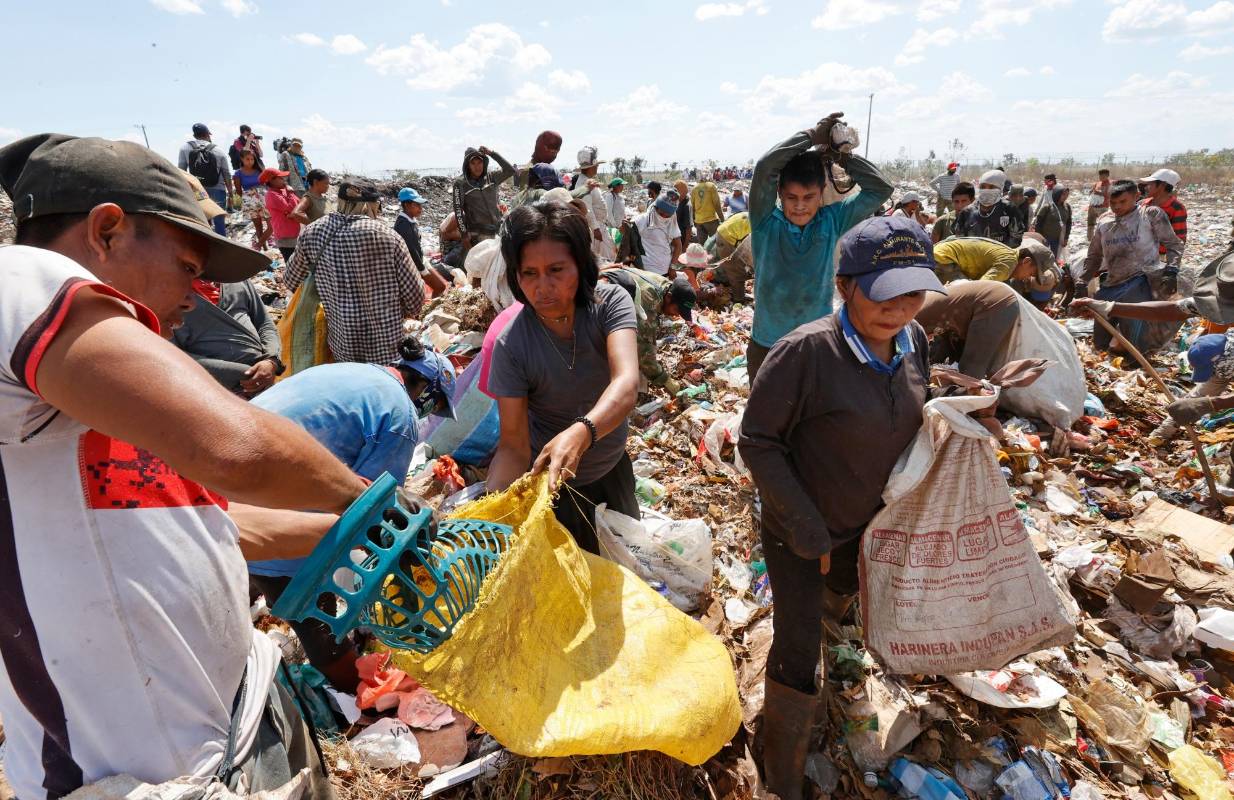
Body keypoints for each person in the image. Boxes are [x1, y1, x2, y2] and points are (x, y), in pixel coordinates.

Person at [0, 132, 371, 800]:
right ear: (106, 231)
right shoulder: (19, 280)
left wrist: (367, 538)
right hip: (142, 777)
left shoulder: (92, 404)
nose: (199, 297)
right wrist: (372, 502)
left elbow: (211, 527)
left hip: (240, 718)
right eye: (186, 266)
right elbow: (236, 449)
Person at [739, 216, 945, 800]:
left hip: (869, 521)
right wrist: (806, 528)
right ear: (845, 286)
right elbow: (757, 441)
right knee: (798, 644)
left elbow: (913, 411)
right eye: (884, 293)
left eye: (913, 293)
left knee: (842, 607)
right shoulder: (806, 353)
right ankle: (780, 764)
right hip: (799, 528)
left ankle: (832, 627)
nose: (900, 308)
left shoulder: (914, 343)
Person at [248, 339, 456, 689]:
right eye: (433, 404)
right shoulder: (400, 415)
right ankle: (359, 697)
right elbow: (375, 509)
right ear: (424, 390)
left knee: (250, 573)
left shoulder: (355, 372)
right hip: (271, 506)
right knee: (317, 615)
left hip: (232, 486)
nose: (428, 412)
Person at [485, 201, 640, 554]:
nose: (543, 287)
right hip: (556, 486)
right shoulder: (512, 345)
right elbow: (513, 446)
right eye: (529, 274)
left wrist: (582, 432)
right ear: (515, 276)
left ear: (580, 265)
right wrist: (493, 509)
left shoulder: (609, 304)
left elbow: (626, 384)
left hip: (611, 468)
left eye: (556, 270)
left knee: (626, 569)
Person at [747, 112, 893, 380]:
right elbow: (765, 166)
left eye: (809, 197)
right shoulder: (765, 221)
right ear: (779, 193)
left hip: (816, 341)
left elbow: (880, 189)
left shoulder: (832, 220)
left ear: (822, 190)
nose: (800, 206)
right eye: (791, 197)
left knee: (812, 416)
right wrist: (811, 136)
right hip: (767, 343)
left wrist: (840, 156)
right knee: (765, 417)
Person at [1072, 241, 1234, 444]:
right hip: (1226, 359)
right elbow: (1172, 310)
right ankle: (1162, 433)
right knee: (1202, 392)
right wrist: (1109, 307)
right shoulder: (1222, 307)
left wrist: (1213, 405)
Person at [285, 179, 427, 366]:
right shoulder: (388, 236)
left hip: (343, 346)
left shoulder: (312, 232)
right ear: (369, 205)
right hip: (387, 348)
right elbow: (415, 297)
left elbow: (291, 280)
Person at [1078, 179, 1183, 354]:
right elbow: (1094, 256)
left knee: (1133, 336)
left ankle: (1136, 363)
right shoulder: (1105, 222)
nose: (1117, 207)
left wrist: (1172, 270)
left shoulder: (1150, 215)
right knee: (1100, 341)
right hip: (1111, 282)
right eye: (1113, 203)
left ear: (1136, 196)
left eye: (1122, 202)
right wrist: (1082, 281)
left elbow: (1174, 244)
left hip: (1140, 280)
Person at [173, 276, 284, 396]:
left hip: (263, 383)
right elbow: (172, 354)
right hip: (213, 392)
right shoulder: (170, 293)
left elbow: (264, 323)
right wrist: (244, 373)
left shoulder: (238, 279)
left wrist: (271, 361)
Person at [599, 265, 696, 394]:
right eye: (677, 310)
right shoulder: (650, 301)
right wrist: (665, 380)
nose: (676, 315)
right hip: (598, 296)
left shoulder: (665, 285)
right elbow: (644, 352)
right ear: (669, 297)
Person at [916, 280, 1026, 379]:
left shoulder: (910, 317)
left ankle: (973, 398)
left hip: (993, 304)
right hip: (993, 297)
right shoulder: (919, 304)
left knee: (971, 369)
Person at [453, 145, 516, 253]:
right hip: (479, 234)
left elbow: (510, 170)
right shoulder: (461, 184)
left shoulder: (492, 177)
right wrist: (464, 235)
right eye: (473, 163)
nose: (477, 167)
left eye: (479, 162)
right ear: (467, 165)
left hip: (498, 230)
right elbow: (458, 210)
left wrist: (492, 153)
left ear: (484, 162)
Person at [177, 122, 233, 236]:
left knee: (203, 221)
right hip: (218, 189)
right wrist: (231, 193)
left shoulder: (184, 148)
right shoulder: (219, 150)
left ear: (194, 135)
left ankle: (205, 247)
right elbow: (226, 174)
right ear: (208, 135)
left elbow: (182, 172)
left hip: (197, 190)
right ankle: (222, 247)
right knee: (219, 221)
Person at [394, 187, 450, 295]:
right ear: (406, 205)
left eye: (420, 205)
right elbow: (411, 250)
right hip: (411, 265)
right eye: (416, 205)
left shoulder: (410, 220)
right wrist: (422, 269)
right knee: (440, 287)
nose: (420, 208)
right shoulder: (404, 225)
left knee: (442, 285)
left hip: (420, 260)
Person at [932, 236, 1053, 284]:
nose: (1027, 277)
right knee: (962, 291)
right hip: (945, 260)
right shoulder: (1008, 264)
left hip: (942, 255)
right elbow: (981, 288)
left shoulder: (1009, 255)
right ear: (1026, 261)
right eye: (1031, 273)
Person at [953, 169, 1024, 246]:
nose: (986, 190)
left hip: (1001, 255)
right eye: (983, 186)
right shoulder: (967, 212)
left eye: (991, 187)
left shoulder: (1010, 210)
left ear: (1000, 188)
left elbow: (1016, 238)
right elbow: (960, 239)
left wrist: (996, 251)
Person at [571, 146, 617, 262]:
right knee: (604, 259)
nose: (597, 167)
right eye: (596, 165)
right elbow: (587, 209)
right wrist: (596, 230)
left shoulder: (587, 181)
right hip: (595, 229)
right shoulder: (583, 184)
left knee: (606, 257)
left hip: (599, 226)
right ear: (591, 167)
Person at [634, 190, 683, 276]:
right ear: (656, 207)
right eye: (661, 213)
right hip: (646, 270)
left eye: (667, 215)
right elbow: (630, 240)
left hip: (665, 270)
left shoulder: (671, 221)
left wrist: (672, 267)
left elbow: (678, 245)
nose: (664, 217)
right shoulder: (642, 220)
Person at [263, 167, 306, 263]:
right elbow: (293, 209)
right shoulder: (271, 195)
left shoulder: (283, 191)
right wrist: (290, 194)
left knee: (299, 264)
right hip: (286, 237)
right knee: (292, 265)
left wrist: (290, 194)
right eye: (280, 178)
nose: (284, 180)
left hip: (294, 233)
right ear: (271, 181)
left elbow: (299, 204)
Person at [1139, 168, 1188, 251]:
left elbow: (1180, 239)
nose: (1146, 187)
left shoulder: (1176, 208)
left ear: (1162, 185)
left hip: (1161, 257)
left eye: (1150, 184)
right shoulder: (1144, 203)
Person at [513, 130, 563, 207]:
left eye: (557, 152)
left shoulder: (546, 169)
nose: (555, 156)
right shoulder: (531, 170)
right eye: (553, 152)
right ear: (543, 148)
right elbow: (525, 202)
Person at [233, 149, 270, 250]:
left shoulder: (259, 170)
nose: (250, 161)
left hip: (263, 199)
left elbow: (267, 184)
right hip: (249, 201)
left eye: (252, 159)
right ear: (242, 159)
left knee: (271, 225)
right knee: (258, 227)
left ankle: (259, 245)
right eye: (247, 159)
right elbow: (238, 190)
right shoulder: (238, 173)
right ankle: (264, 248)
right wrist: (248, 198)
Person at [1032, 185, 1072, 258]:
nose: (1065, 197)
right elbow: (1038, 224)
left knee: (1055, 258)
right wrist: (1039, 238)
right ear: (1057, 194)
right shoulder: (1047, 207)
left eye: (1067, 195)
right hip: (1046, 238)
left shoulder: (1067, 207)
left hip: (1059, 239)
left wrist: (1066, 238)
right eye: (1063, 194)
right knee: (1044, 257)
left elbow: (1069, 223)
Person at [691, 175, 725, 245]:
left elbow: (692, 207)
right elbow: (717, 205)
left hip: (699, 221)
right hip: (711, 220)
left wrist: (694, 220)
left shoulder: (694, 188)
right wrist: (722, 219)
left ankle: (703, 256)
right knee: (716, 244)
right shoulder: (711, 186)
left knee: (702, 245)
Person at [1087, 168, 1112, 240]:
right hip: (1092, 206)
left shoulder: (1109, 185)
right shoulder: (1098, 183)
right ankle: (1090, 240)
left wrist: (1099, 193)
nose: (1101, 178)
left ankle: (1102, 240)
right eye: (1100, 176)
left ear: (1107, 176)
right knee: (1090, 224)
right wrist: (1091, 191)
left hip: (1103, 208)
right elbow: (1093, 190)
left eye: (1103, 176)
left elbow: (1109, 195)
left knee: (1103, 225)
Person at [674, 179, 693, 249]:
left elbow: (689, 228)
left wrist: (685, 247)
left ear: (681, 191)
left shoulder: (687, 206)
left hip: (682, 241)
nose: (674, 192)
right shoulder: (679, 202)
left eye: (676, 190)